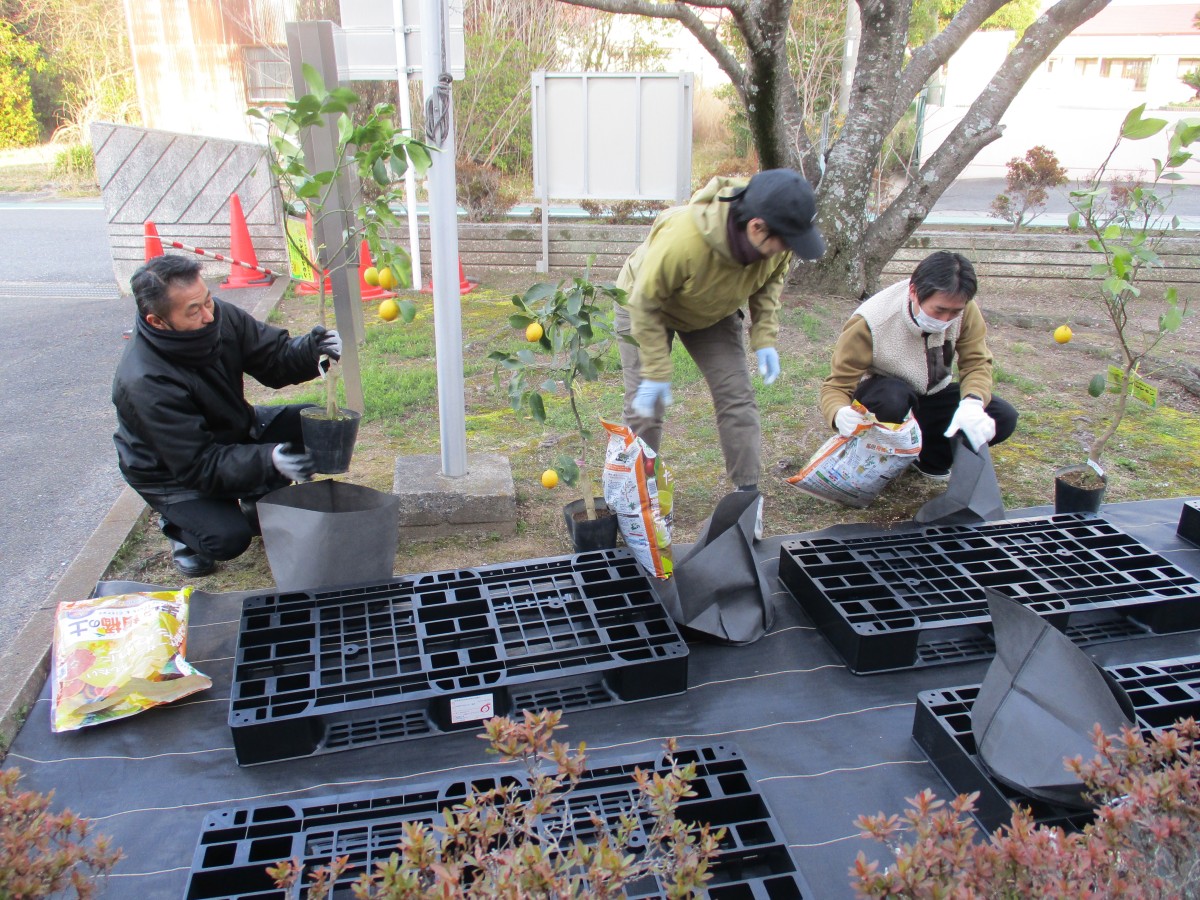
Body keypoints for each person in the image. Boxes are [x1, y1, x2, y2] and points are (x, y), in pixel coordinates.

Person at [112, 254, 342, 577]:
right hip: (172, 472)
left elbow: (272, 357)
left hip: (231, 429)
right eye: (194, 310)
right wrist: (268, 460)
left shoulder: (218, 316)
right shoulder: (145, 382)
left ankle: (253, 497)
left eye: (208, 300)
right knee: (228, 538)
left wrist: (312, 350)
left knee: (312, 423)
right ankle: (178, 526)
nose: (209, 315)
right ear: (158, 321)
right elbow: (198, 464)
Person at [615, 168, 826, 498]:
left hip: (712, 308)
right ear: (756, 227)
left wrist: (764, 338)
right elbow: (645, 302)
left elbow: (770, 282)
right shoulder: (683, 240)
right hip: (645, 305)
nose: (788, 249)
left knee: (737, 396)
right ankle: (634, 496)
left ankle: (746, 494)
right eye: (786, 242)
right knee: (646, 408)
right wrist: (656, 370)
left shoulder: (779, 238)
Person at [819, 250, 1018, 481]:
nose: (946, 320)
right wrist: (838, 413)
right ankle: (880, 459)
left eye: (955, 312)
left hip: (932, 395)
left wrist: (973, 402)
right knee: (893, 396)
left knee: (1002, 415)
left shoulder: (965, 311)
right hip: (885, 399)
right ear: (914, 292)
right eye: (939, 310)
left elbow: (976, 362)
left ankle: (930, 457)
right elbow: (837, 385)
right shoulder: (871, 321)